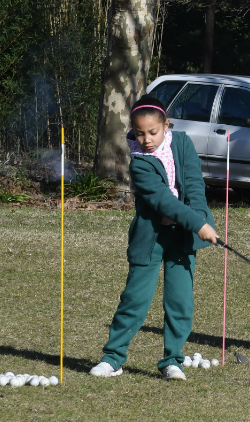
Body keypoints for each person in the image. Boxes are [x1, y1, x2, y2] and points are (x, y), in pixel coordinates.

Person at [90, 95, 218, 380]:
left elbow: (195, 185)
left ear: (166, 126)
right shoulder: (139, 162)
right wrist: (200, 224)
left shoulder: (182, 144)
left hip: (182, 237)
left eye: (153, 132)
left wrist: (198, 219)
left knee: (180, 301)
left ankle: (173, 361)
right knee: (134, 299)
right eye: (139, 133)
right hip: (151, 237)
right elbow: (164, 202)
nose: (146, 139)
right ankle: (113, 358)